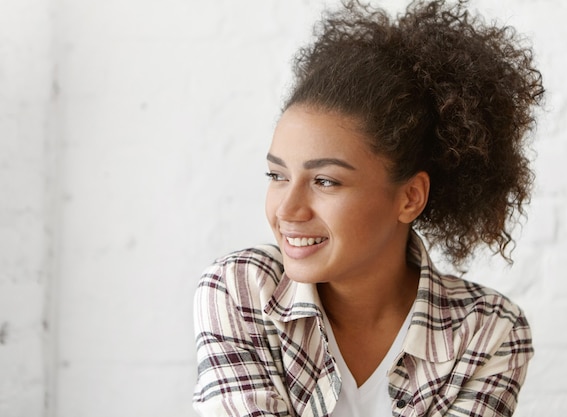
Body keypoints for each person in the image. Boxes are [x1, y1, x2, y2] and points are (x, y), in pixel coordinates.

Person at [192, 0, 544, 416]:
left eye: (325, 181)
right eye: (277, 176)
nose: (287, 209)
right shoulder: (241, 291)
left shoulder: (488, 331)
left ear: (409, 197)